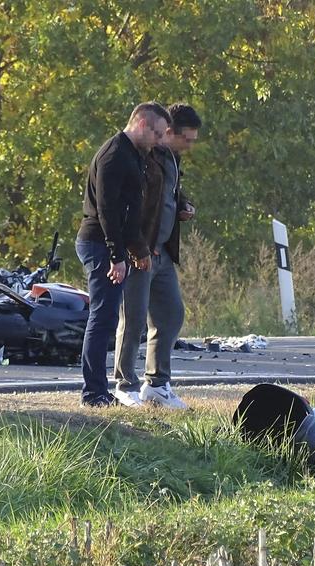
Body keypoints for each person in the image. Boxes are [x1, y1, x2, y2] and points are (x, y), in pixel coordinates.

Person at [75, 102, 171, 407]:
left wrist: (137, 248)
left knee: (105, 317)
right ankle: (93, 393)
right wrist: (117, 255)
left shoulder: (135, 155)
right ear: (141, 124)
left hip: (112, 244)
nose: (159, 140)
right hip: (99, 242)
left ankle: (99, 390)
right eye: (156, 133)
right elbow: (107, 210)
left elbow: (131, 213)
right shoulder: (115, 155)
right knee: (102, 318)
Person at [113, 103, 202, 409]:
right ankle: (124, 383)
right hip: (141, 251)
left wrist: (183, 206)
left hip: (162, 252)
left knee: (171, 314)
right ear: (170, 133)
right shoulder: (147, 157)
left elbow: (168, 196)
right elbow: (134, 206)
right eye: (186, 139)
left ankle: (157, 384)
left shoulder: (171, 160)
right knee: (134, 319)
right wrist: (137, 248)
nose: (190, 146)